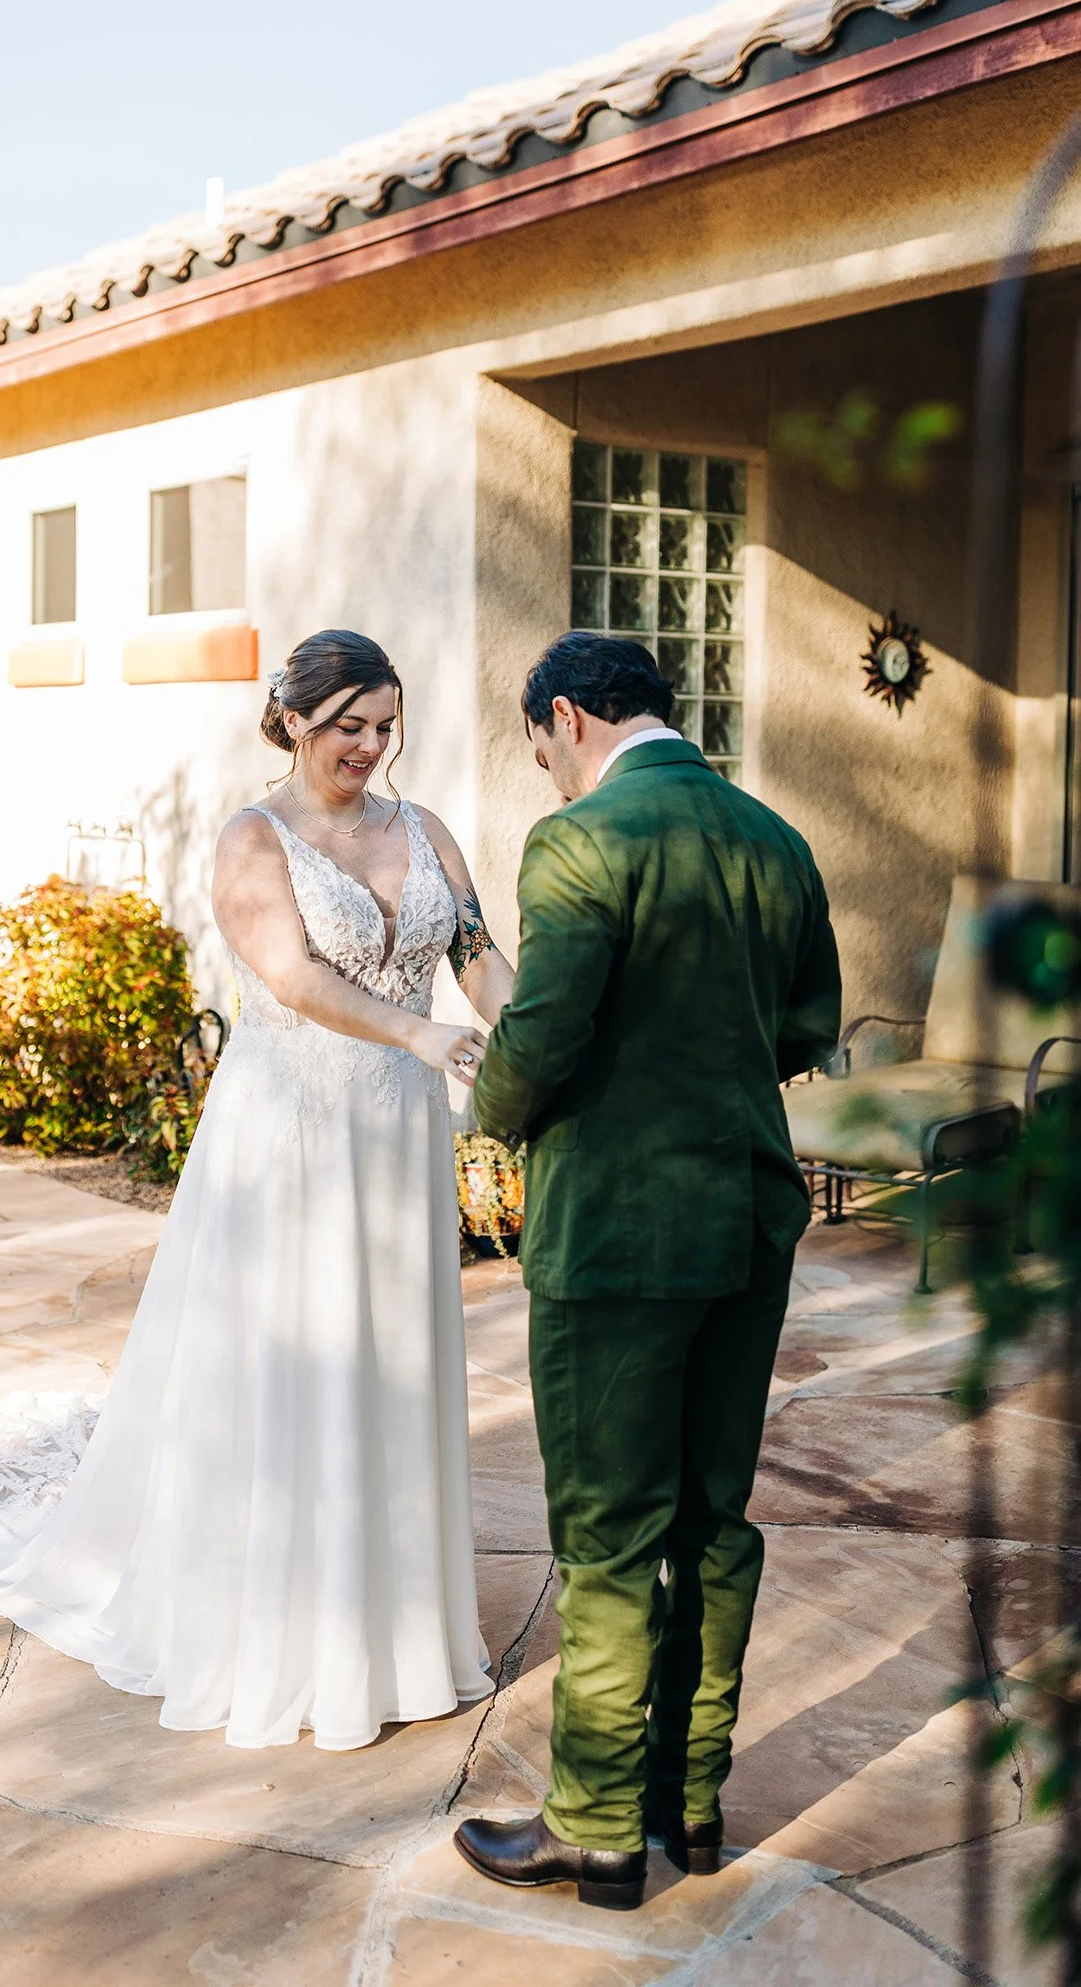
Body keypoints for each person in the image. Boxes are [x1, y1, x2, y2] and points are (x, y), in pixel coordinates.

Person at [0, 629, 516, 1751]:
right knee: (297, 1364)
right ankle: (284, 1634)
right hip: (292, 1138)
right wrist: (417, 1030)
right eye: (347, 728)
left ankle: (399, 1633)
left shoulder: (424, 829)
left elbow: (474, 949)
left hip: (397, 1137)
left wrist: (527, 1033)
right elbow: (294, 975)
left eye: (384, 727)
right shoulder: (253, 837)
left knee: (393, 1362)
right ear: (290, 719)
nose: (370, 749)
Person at [454, 630, 841, 1911]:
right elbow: (804, 1025)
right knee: (712, 1518)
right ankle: (692, 1798)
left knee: (611, 1529)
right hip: (742, 1219)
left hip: (617, 1235)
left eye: (542, 751)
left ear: (565, 718)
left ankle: (599, 1827)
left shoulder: (581, 842)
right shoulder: (774, 838)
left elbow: (545, 1028)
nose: (551, 777)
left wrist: (491, 1117)